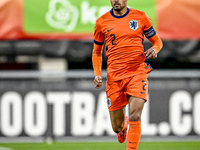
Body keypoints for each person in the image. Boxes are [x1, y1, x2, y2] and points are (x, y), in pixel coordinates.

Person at [92, 0, 163, 149]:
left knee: (135, 115)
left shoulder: (141, 17)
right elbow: (97, 52)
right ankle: (123, 127)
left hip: (137, 72)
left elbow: (157, 41)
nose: (116, 0)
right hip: (114, 78)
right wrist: (98, 73)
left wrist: (155, 49)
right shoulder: (101, 22)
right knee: (116, 127)